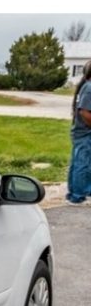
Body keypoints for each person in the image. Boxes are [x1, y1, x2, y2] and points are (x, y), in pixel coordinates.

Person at [67, 60, 91, 205]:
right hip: (85, 132)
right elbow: (84, 112)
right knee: (82, 163)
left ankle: (78, 191)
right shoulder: (89, 88)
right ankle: (78, 195)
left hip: (83, 132)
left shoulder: (86, 86)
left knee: (79, 162)